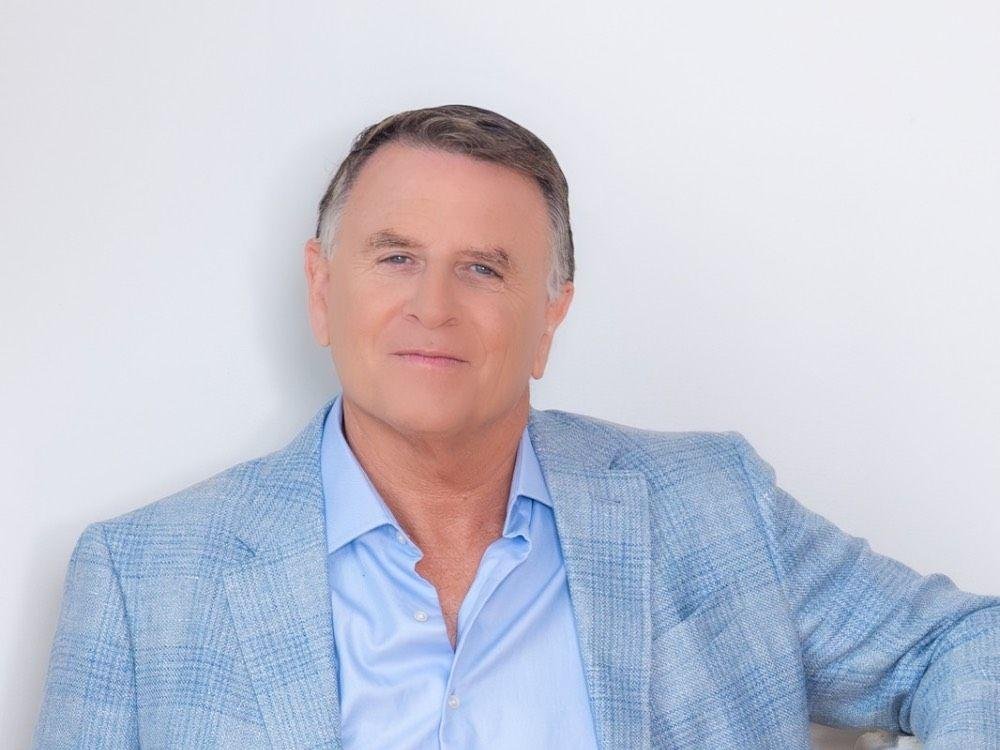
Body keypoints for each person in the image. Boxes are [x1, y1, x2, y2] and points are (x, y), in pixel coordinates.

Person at [33, 104, 1000, 749]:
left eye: (483, 269)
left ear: (549, 317)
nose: (433, 307)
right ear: (322, 292)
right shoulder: (140, 580)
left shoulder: (713, 507)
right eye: (396, 257)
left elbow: (966, 644)